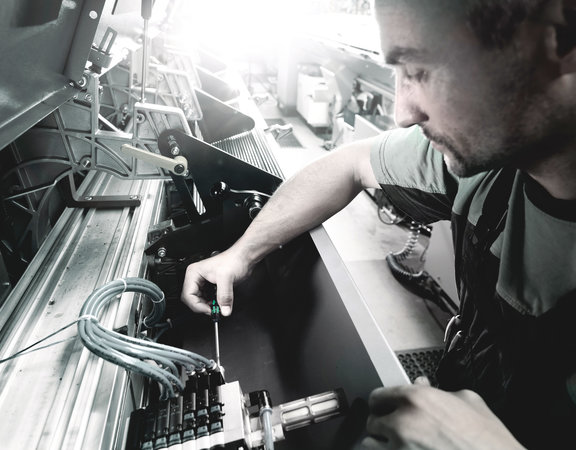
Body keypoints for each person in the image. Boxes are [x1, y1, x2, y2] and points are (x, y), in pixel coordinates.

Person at [181, 0, 576, 448]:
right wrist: (241, 254)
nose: (403, 113)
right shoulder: (493, 166)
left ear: (559, 39)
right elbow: (349, 165)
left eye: (419, 70)